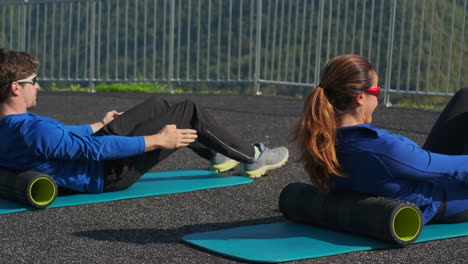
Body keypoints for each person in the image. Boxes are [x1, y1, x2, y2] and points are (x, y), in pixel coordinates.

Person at [0, 48, 288, 193]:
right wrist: (156, 141)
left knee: (158, 104)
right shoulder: (33, 130)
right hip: (108, 171)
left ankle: (215, 152)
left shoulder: (12, 127)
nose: (38, 86)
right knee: (189, 109)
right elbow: (94, 150)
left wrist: (98, 125)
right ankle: (251, 157)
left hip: (91, 158)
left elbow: (63, 137)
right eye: (33, 81)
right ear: (15, 87)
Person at [293, 54, 468, 225]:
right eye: (377, 91)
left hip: (413, 175)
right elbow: (446, 167)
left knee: (465, 96)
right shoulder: (383, 149)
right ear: (360, 97)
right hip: (449, 199)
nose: (377, 99)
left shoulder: (323, 140)